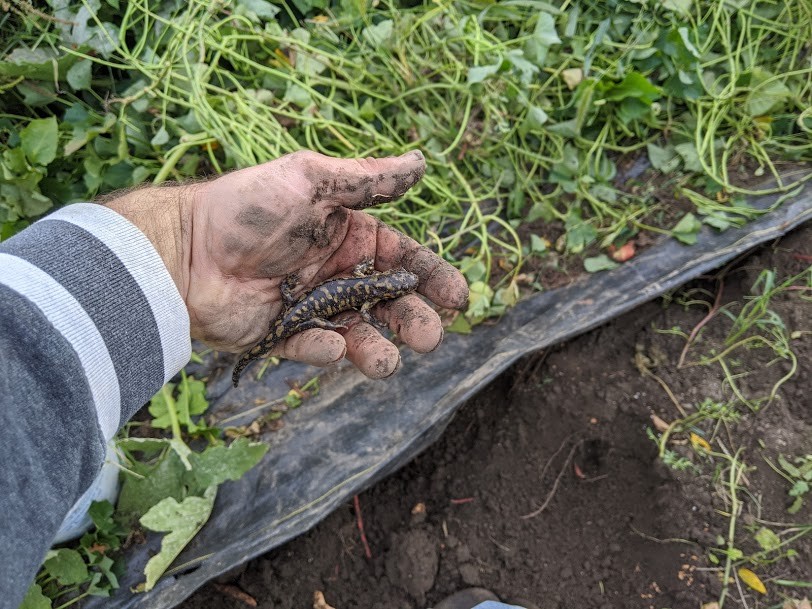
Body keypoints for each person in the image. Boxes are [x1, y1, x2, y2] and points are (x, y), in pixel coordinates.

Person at [0, 149, 526, 609]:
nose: (395, 283)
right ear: (390, 284)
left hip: (303, 303)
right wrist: (186, 242)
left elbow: (360, 292)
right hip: (302, 307)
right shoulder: (371, 286)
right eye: (398, 282)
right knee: (313, 323)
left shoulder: (371, 283)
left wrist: (187, 244)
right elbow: (359, 297)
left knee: (314, 320)